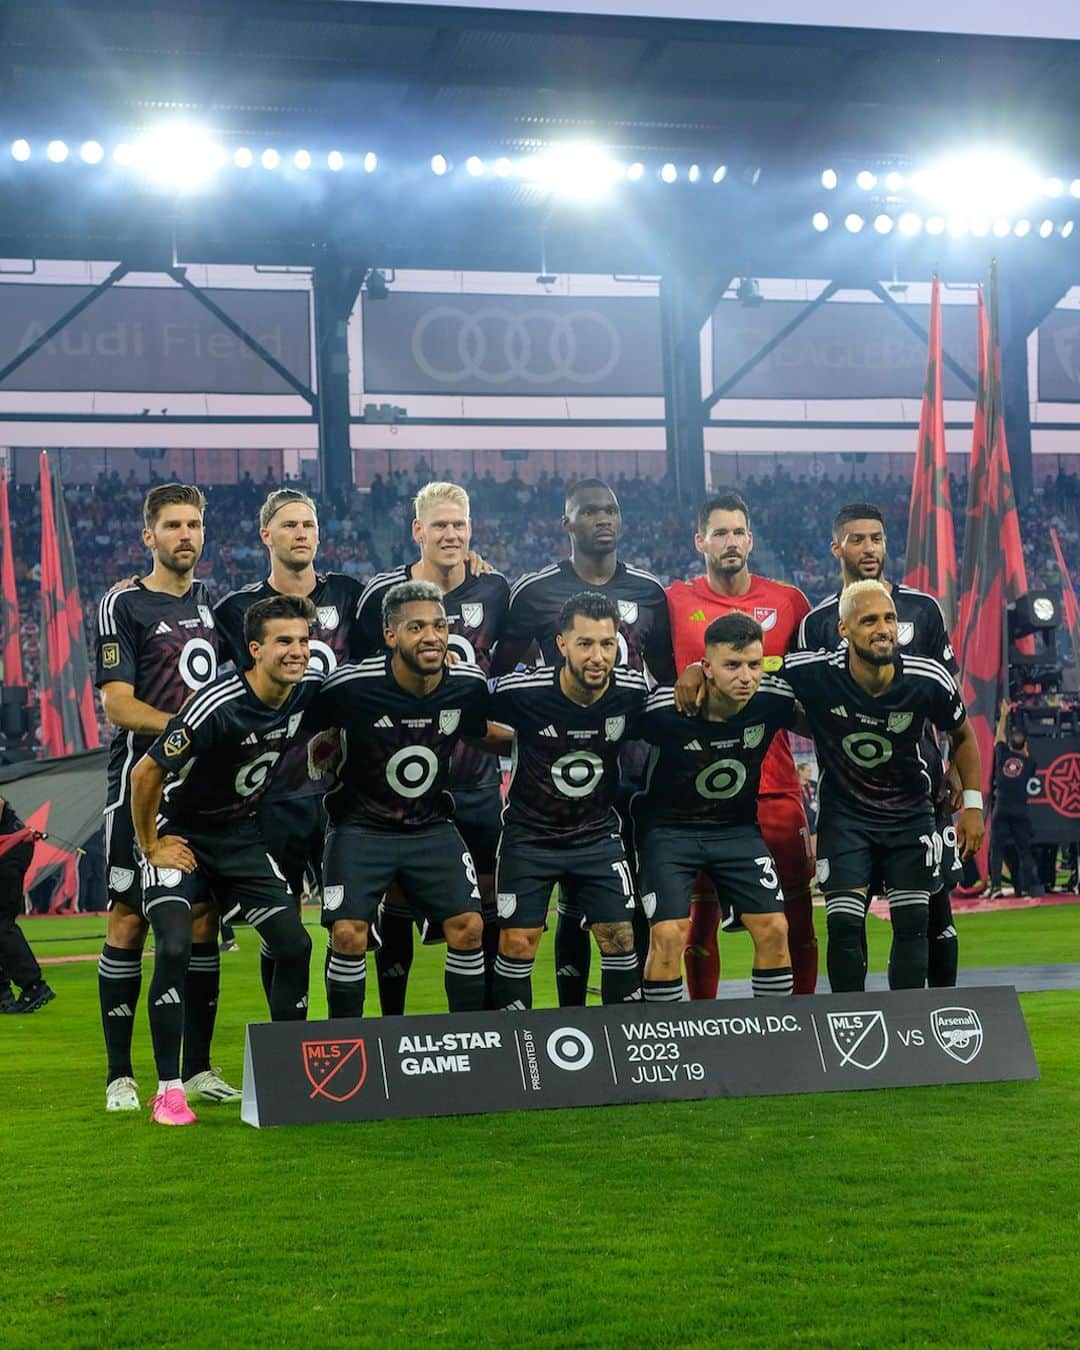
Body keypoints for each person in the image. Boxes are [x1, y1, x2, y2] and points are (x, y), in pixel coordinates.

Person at [129, 594, 322, 1126]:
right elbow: (145, 774)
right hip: (181, 835)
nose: (297, 651)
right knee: (172, 943)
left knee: (294, 942)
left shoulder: (305, 694)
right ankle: (169, 1091)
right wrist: (150, 844)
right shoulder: (215, 704)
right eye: (284, 641)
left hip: (239, 837)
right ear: (255, 649)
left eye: (304, 641)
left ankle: (288, 1076)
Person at [493, 479, 675, 1005]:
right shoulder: (534, 592)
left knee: (619, 912)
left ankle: (620, 1032)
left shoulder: (648, 591)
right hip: (547, 777)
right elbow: (497, 675)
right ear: (566, 523)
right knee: (564, 912)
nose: (603, 518)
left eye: (612, 510)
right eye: (590, 511)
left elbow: (664, 681)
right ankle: (563, 1024)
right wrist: (532, 732)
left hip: (627, 772)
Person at [93, 482, 233, 1113]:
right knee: (128, 919)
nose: (186, 535)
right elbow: (116, 703)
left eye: (194, 524)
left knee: (202, 919)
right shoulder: (122, 604)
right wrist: (187, 729)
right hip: (139, 787)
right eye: (173, 525)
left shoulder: (216, 607)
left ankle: (198, 1067)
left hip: (204, 796)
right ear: (148, 536)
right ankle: (120, 1074)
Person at [309, 580, 501, 1018]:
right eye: (416, 627)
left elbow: (481, 731)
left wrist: (536, 744)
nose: (432, 636)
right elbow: (305, 727)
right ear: (390, 636)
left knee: (469, 927)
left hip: (431, 824)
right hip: (359, 827)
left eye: (439, 626)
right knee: (348, 935)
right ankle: (346, 1047)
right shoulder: (350, 685)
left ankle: (467, 1039)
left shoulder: (467, 684)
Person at [781, 581, 984, 992]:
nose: (883, 628)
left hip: (910, 816)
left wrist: (974, 808)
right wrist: (699, 670)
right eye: (869, 620)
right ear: (844, 630)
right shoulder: (812, 669)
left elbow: (962, 735)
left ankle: (905, 1029)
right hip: (845, 816)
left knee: (912, 924)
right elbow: (756, 669)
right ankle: (849, 1025)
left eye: (889, 618)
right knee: (843, 925)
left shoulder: (928, 678)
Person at [354, 482, 509, 1013]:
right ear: (417, 530)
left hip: (475, 776)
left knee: (485, 900)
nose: (450, 534)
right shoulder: (381, 595)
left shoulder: (496, 591)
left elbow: (505, 668)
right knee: (396, 898)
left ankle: (483, 1024)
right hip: (399, 785)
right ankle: (395, 1024)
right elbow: (361, 676)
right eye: (439, 525)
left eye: (459, 525)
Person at [214, 488, 366, 1006]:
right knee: (283, 926)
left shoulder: (350, 594)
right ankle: (287, 1050)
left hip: (344, 789)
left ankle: (357, 1041)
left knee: (352, 923)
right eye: (289, 525)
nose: (301, 533)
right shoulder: (236, 609)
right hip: (274, 791)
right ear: (266, 536)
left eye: (308, 524)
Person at [666, 492, 816, 996]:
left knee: (793, 915)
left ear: (750, 539)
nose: (730, 542)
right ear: (700, 540)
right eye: (719, 532)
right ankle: (705, 1027)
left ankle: (798, 1028)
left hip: (775, 786)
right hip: (698, 794)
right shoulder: (673, 602)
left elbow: (816, 683)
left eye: (738, 532)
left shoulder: (790, 602)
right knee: (698, 922)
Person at [488, 592, 648, 1010]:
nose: (598, 656)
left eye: (607, 644)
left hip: (596, 835)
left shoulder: (632, 691)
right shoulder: (524, 691)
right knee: (518, 941)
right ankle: (518, 1053)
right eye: (585, 644)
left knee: (619, 937)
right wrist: (517, 742)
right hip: (530, 835)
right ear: (561, 645)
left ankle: (624, 1049)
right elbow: (467, 711)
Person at [632, 614, 795, 1002]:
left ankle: (776, 1034)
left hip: (737, 830)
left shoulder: (775, 699)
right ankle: (663, 1038)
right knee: (669, 935)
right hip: (668, 833)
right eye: (732, 665)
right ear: (707, 666)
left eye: (755, 665)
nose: (746, 677)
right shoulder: (662, 710)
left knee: (775, 928)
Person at [0, 798, 53, 1013]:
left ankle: (33, 985)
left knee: (1, 922)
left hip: (9, 849)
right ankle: (4, 993)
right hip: (12, 847)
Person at [989, 699, 1041, 898]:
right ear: (1024, 745)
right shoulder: (1029, 763)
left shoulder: (1002, 755)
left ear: (1009, 744)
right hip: (1020, 811)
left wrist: (1003, 715)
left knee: (997, 849)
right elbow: (1024, 754)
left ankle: (996, 888)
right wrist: (1023, 749)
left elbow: (998, 737)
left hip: (1001, 809)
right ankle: (1028, 888)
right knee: (1024, 850)